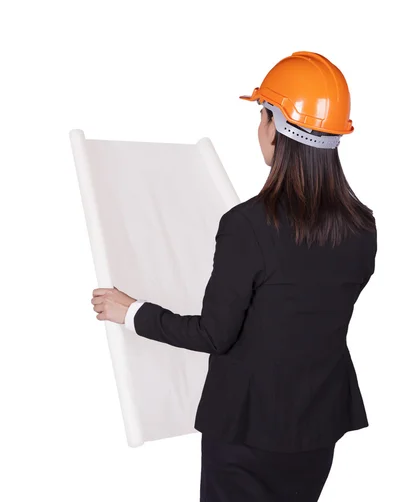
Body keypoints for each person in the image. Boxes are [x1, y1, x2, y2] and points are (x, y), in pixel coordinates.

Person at [91, 51, 377, 501]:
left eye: (262, 114)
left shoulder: (250, 224)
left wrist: (132, 313)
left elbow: (215, 335)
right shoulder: (362, 227)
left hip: (247, 433)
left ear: (274, 126)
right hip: (318, 429)